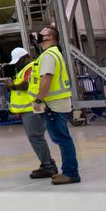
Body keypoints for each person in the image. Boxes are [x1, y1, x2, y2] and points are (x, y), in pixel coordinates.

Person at [32, 24, 80, 185]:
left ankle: (71, 173)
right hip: (59, 102)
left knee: (62, 138)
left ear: (50, 38)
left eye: (42, 34)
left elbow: (47, 78)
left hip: (54, 104)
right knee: (62, 138)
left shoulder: (48, 55)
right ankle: (69, 171)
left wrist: (38, 99)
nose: (38, 36)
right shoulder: (55, 53)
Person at [3, 46, 57, 178]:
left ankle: (47, 166)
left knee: (36, 137)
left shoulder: (31, 67)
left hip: (33, 107)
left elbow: (26, 85)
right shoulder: (26, 69)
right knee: (36, 137)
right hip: (30, 107)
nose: (17, 64)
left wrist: (12, 86)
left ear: (26, 57)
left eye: (19, 61)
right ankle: (48, 163)